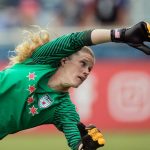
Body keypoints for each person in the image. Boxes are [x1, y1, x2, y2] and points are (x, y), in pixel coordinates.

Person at [0, 21, 150, 150]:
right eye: (83, 64)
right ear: (64, 60)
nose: (86, 72)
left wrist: (85, 146)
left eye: (89, 69)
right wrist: (121, 35)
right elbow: (76, 39)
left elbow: (76, 143)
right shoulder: (42, 60)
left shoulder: (63, 109)